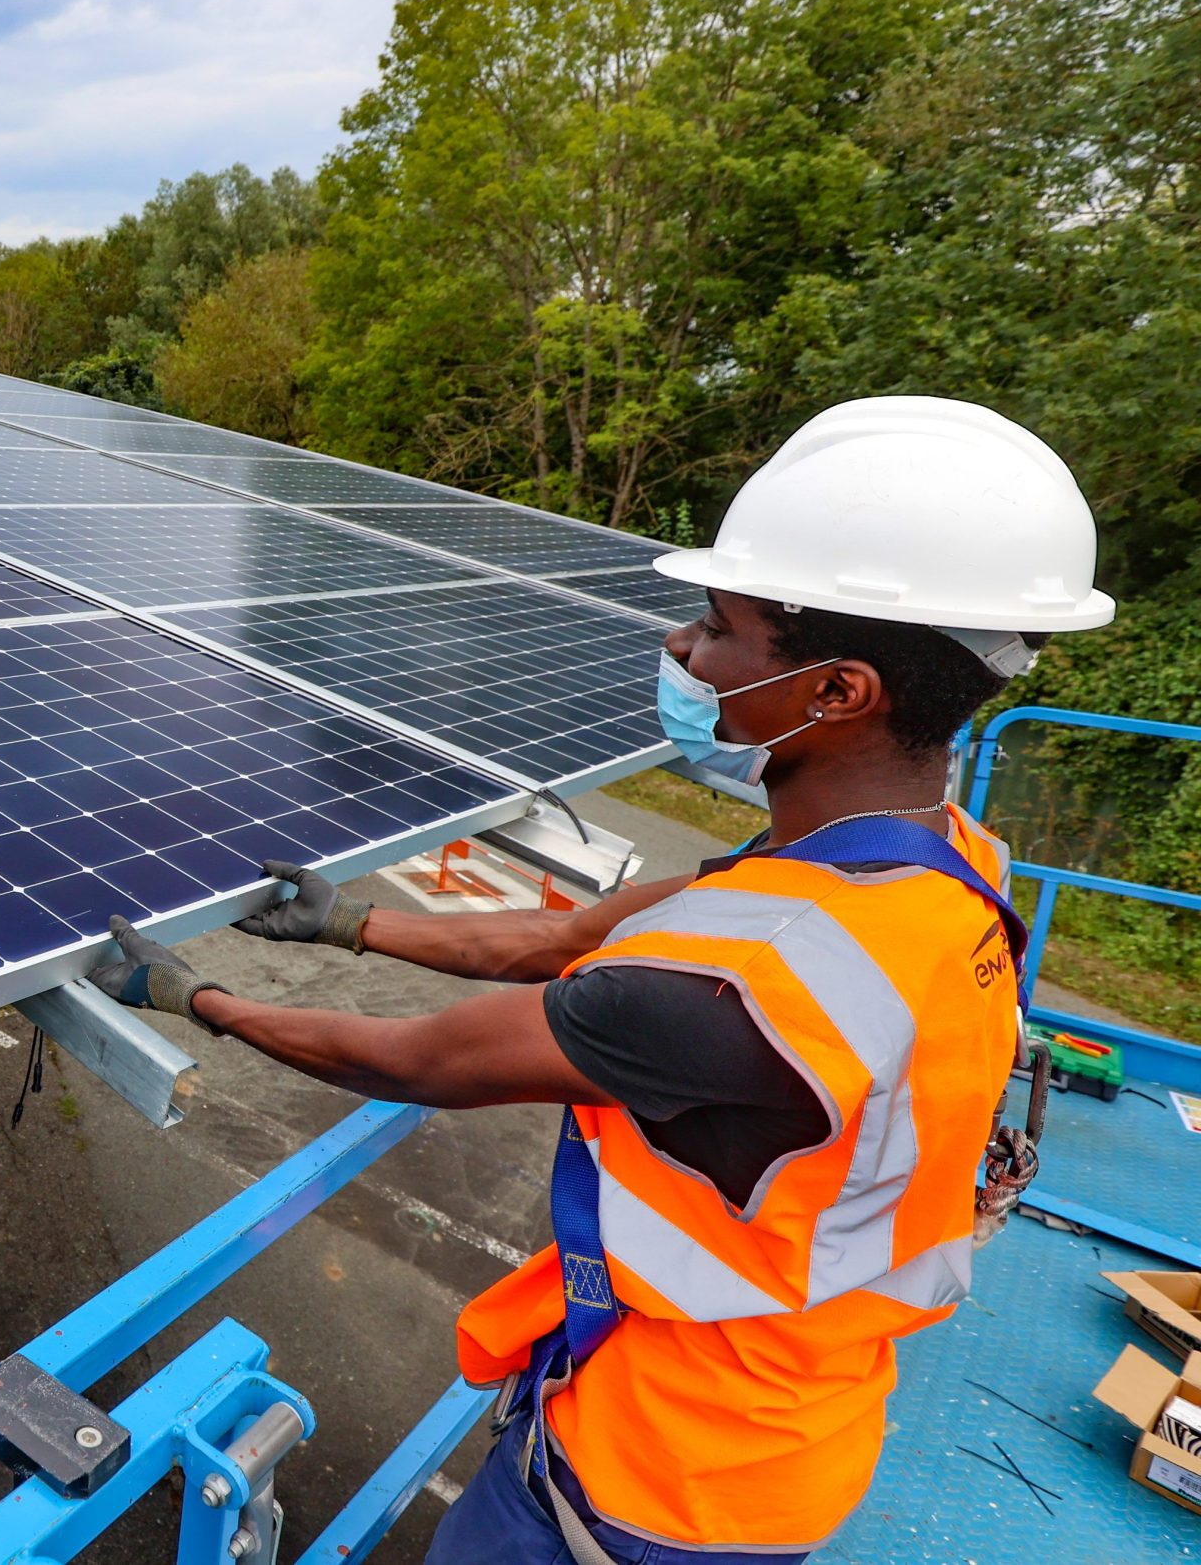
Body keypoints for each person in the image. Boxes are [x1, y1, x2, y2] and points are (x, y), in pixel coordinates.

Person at [92, 398, 1115, 1563]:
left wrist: (196, 1000)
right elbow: (562, 938)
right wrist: (351, 923)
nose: (682, 649)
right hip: (797, 1404)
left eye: (719, 628)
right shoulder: (941, 863)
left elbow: (415, 1061)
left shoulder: (723, 994)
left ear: (838, 691)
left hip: (659, 1478)